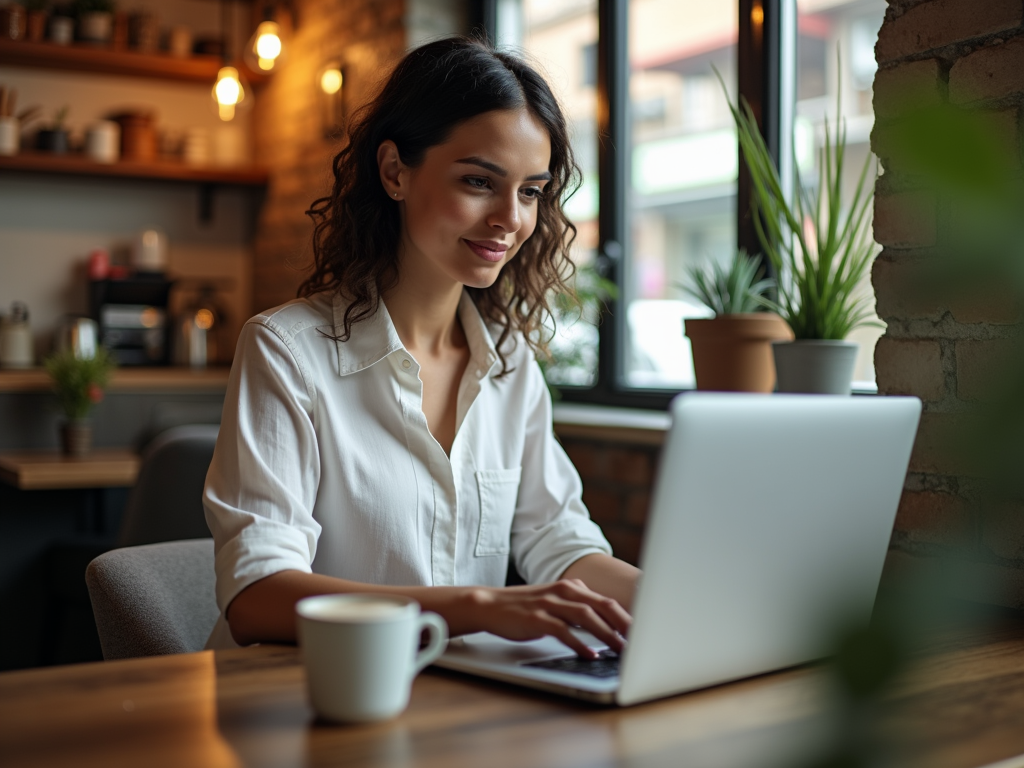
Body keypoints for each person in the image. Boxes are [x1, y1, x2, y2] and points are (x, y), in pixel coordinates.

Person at [203, 37, 640, 658]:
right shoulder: (287, 352)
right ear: (394, 172)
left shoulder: (510, 365)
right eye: (478, 181)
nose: (510, 219)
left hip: (452, 707)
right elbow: (255, 597)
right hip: (297, 704)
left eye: (530, 191)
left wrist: (667, 600)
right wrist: (480, 607)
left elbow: (560, 542)